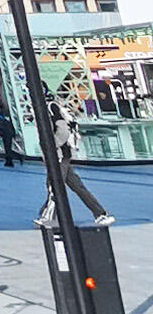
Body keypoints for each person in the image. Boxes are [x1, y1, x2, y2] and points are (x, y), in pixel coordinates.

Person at [36, 87, 113, 228]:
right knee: (76, 185)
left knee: (54, 185)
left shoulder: (50, 107)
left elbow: (62, 129)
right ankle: (100, 213)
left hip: (59, 154)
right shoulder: (49, 107)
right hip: (62, 153)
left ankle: (47, 217)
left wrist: (53, 148)